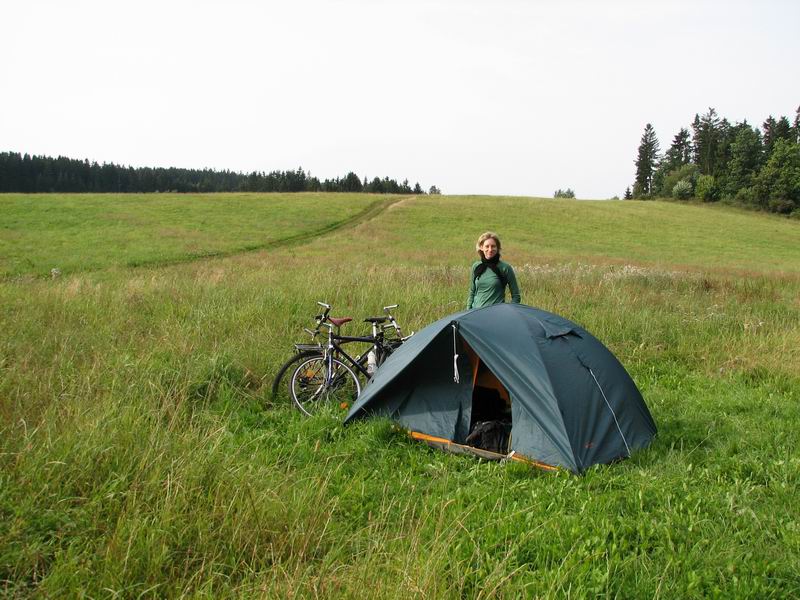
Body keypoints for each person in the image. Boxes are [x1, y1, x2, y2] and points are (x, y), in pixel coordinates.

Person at [467, 231, 521, 310]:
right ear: (481, 247)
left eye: (493, 246)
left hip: (496, 314)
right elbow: (472, 292)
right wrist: (468, 311)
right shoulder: (476, 266)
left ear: (498, 248)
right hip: (476, 313)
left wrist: (508, 311)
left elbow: (516, 296)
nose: (490, 249)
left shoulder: (505, 268)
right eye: (487, 246)